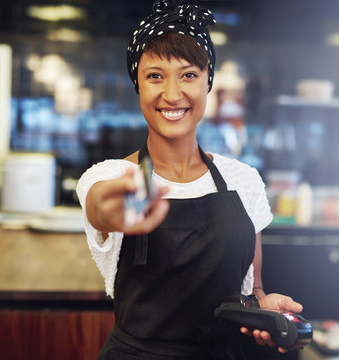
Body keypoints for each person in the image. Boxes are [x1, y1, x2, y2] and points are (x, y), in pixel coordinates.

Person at [76, 1, 303, 359]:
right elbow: (101, 205)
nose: (172, 93)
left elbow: (253, 289)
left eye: (188, 74)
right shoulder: (112, 177)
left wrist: (266, 309)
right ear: (137, 84)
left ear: (207, 82)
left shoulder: (243, 181)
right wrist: (120, 208)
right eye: (155, 76)